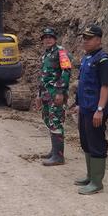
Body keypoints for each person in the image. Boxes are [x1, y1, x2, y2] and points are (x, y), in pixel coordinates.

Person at [72, 24, 108, 194]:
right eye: (84, 38)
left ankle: (97, 183)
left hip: (95, 110)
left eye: (89, 38)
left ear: (98, 40)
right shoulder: (87, 58)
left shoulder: (103, 60)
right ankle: (90, 176)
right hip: (85, 109)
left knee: (96, 143)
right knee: (86, 142)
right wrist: (78, 104)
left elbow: (105, 87)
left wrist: (100, 109)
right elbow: (82, 85)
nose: (85, 41)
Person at [34, 27, 71, 166]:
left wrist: (60, 91)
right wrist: (39, 95)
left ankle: (58, 156)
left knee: (56, 122)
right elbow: (43, 77)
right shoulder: (46, 55)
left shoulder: (60, 52)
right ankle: (54, 151)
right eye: (45, 37)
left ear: (55, 39)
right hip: (46, 94)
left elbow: (66, 71)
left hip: (56, 94)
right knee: (48, 120)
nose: (47, 39)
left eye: (50, 37)